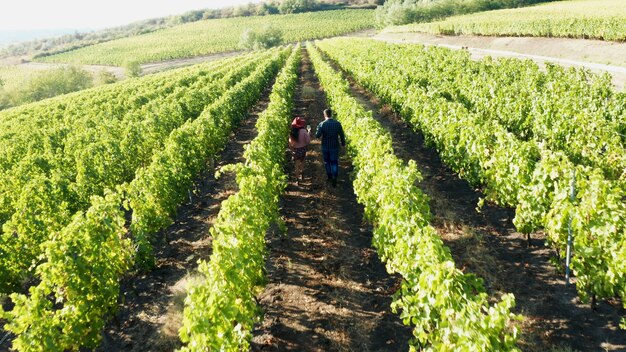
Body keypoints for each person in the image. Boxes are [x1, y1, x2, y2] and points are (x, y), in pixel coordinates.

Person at [315, 108, 345, 187]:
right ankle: (335, 177)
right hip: (334, 145)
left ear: (324, 115)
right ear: (331, 114)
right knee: (334, 162)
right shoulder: (338, 124)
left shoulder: (322, 124)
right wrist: (343, 144)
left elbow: (317, 135)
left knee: (327, 162)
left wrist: (316, 130)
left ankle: (329, 177)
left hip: (325, 146)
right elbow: (342, 135)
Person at [289, 116, 311, 184]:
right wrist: (309, 132)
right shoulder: (304, 131)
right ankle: (302, 175)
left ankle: (297, 180)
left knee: (296, 165)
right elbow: (308, 141)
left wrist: (292, 149)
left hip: (296, 150)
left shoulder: (292, 132)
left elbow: (290, 143)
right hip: (303, 149)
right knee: (302, 163)